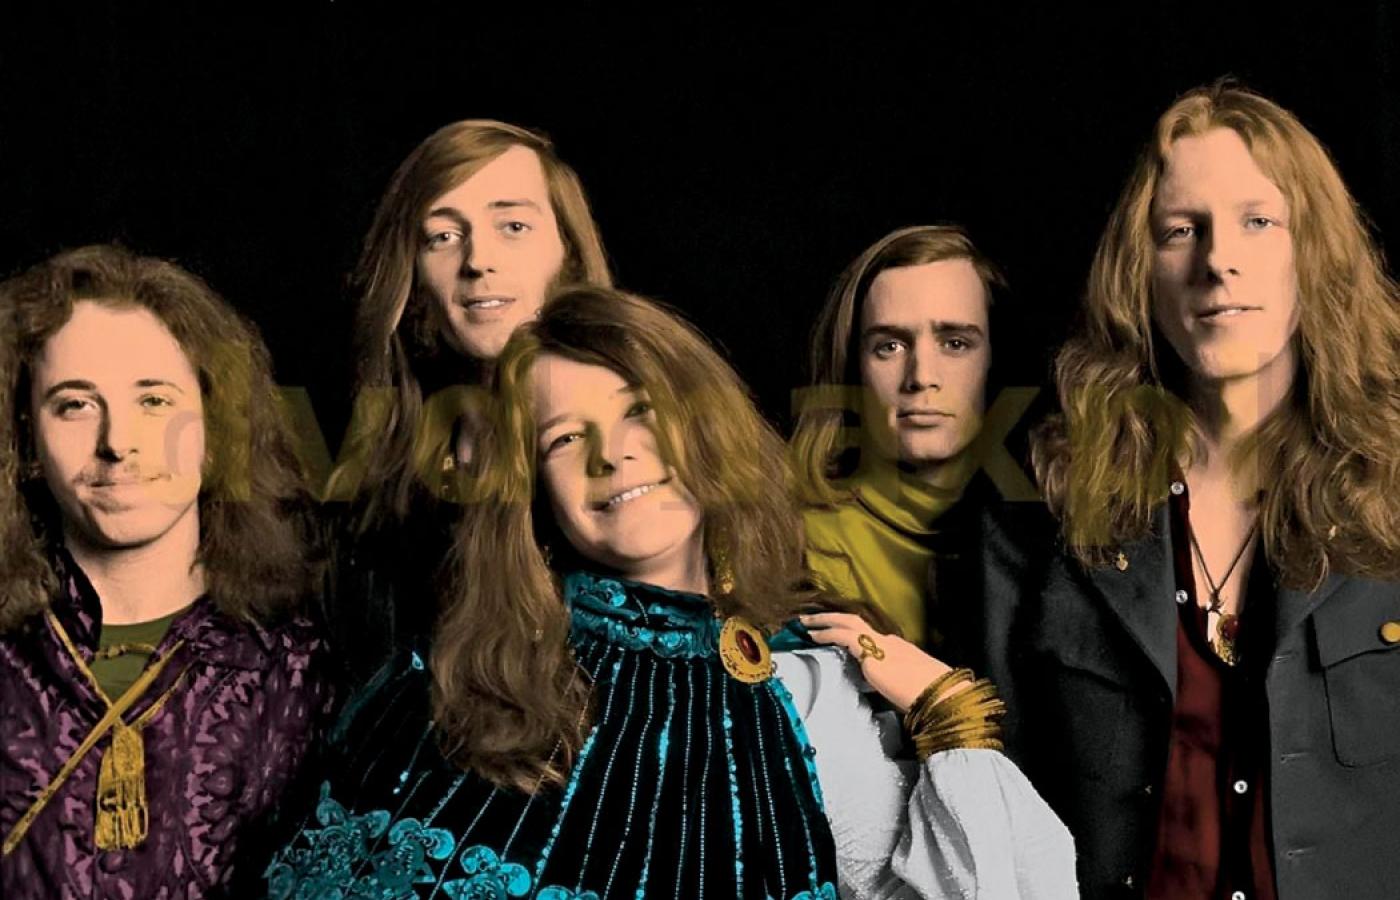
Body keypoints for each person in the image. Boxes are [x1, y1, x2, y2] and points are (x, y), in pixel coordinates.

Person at [265, 285, 1076, 899]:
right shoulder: (470, 678)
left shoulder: (819, 669)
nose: (613, 454)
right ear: (531, 492)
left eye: (641, 413)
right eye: (564, 438)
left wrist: (947, 713)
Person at [1021, 82, 1400, 898]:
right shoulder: (1046, 508)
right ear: (1141, 273)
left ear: (1316, 252)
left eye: (1258, 222)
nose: (1217, 260)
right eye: (1181, 230)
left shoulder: (1391, 488)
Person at [0, 244, 331, 897]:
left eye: (153, 400)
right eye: (75, 404)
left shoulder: (303, 670)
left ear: (214, 427)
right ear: (26, 442)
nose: (117, 443)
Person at [326, 119, 612, 688]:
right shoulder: (377, 503)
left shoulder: (646, 450)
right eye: (443, 236)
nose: (478, 260)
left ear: (569, 252)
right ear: (412, 274)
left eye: (513, 226)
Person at [792, 224, 1049, 666]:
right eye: (889, 346)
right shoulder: (789, 540)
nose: (921, 376)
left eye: (955, 343)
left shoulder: (1053, 531)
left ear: (996, 359)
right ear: (853, 365)